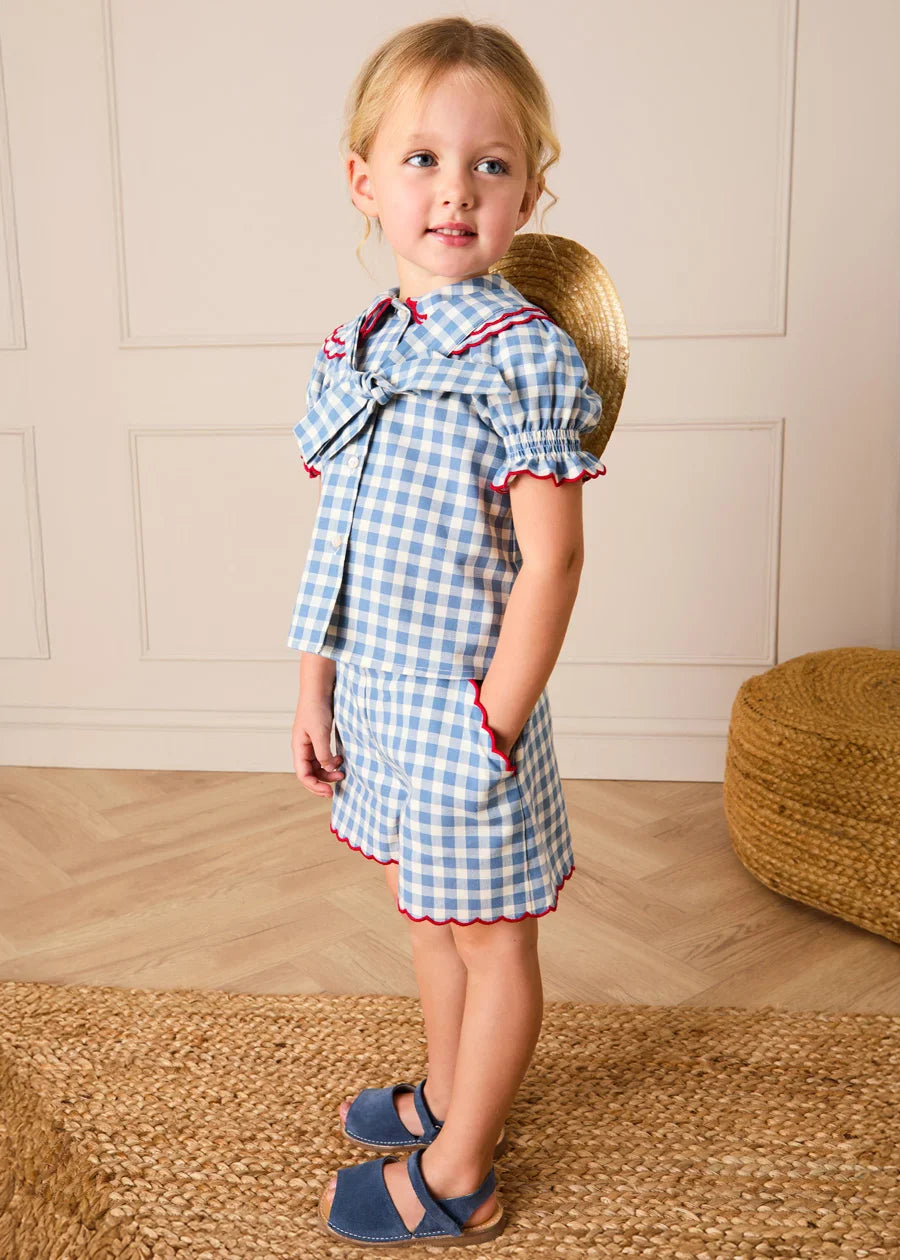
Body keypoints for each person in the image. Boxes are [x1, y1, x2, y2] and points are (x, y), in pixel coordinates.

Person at [288, 16, 606, 1248]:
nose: (455, 189)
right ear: (363, 179)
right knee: (427, 917)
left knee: (489, 939)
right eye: (421, 158)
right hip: (381, 700)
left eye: (491, 163)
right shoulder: (362, 348)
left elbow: (554, 559)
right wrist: (315, 682)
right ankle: (445, 1089)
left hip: (469, 715)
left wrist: (495, 726)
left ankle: (462, 1170)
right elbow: (340, 535)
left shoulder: (525, 358)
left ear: (530, 192)